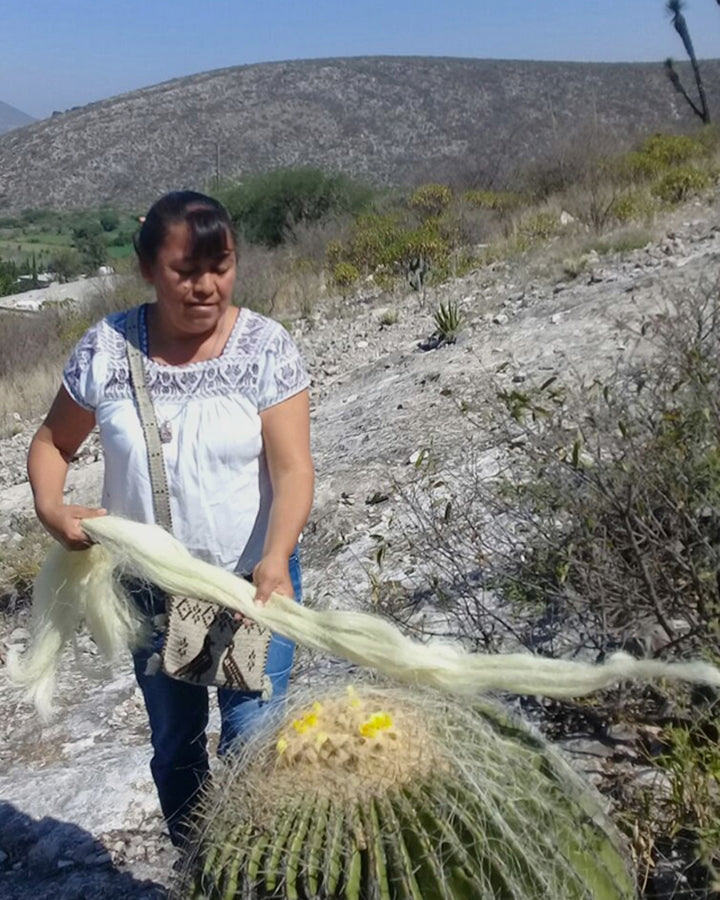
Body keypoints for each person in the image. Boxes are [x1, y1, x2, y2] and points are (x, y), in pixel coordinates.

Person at [26, 190, 315, 846]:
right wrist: (51, 506)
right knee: (177, 745)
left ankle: (258, 873)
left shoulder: (266, 348)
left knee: (252, 742)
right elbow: (52, 442)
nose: (207, 286)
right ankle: (201, 865)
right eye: (187, 271)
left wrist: (277, 557)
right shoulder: (107, 350)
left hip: (245, 589)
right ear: (148, 269)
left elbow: (294, 468)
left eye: (223, 265)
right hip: (151, 593)